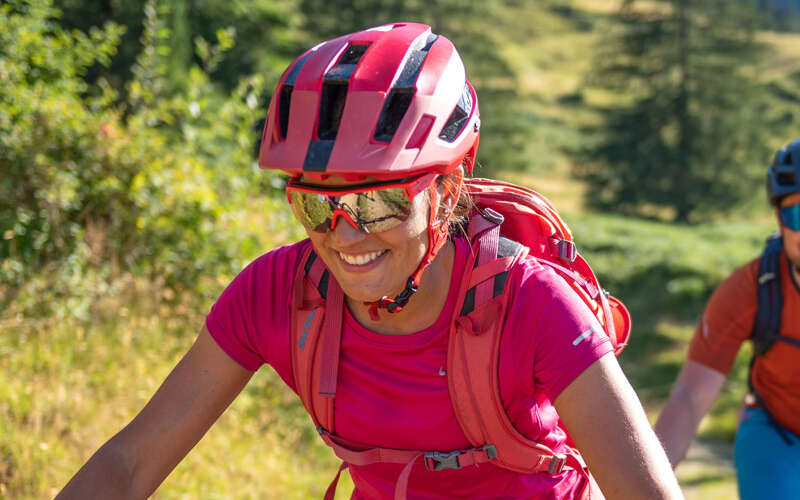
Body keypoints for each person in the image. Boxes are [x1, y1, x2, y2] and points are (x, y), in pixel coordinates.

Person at [57, 23, 682, 500]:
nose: (345, 234)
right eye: (315, 206)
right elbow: (130, 463)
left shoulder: (532, 304)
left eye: (379, 201)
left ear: (446, 191)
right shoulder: (276, 295)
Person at [654, 138, 800, 499]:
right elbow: (690, 397)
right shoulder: (751, 289)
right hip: (774, 434)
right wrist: (642, 487)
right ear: (779, 220)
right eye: (799, 215)